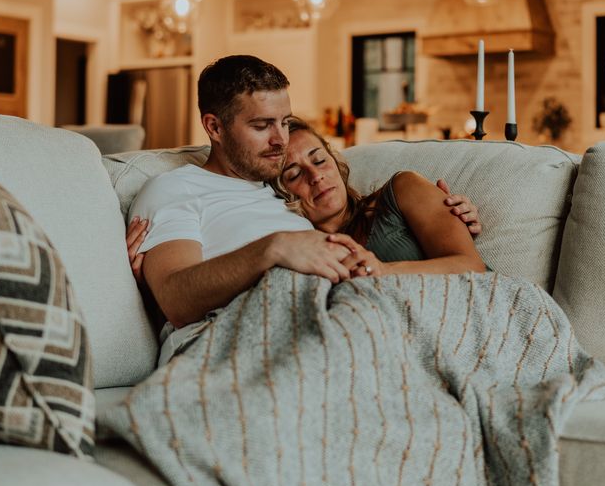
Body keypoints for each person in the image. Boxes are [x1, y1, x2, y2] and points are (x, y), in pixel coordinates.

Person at [127, 55, 481, 345]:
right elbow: (176, 299)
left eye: (284, 121)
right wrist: (275, 248)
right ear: (215, 127)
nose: (280, 140)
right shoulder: (175, 188)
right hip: (249, 335)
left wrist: (453, 216)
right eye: (263, 125)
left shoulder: (279, 196)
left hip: (342, 317)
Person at [273, 118, 485, 277]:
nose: (316, 176)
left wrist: (383, 271)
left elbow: (472, 268)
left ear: (335, 161)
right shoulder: (303, 251)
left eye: (319, 160)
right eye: (295, 174)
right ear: (282, 193)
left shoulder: (404, 188)